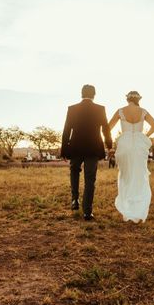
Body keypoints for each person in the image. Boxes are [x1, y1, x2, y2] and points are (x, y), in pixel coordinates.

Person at [60, 84, 113, 221]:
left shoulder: (72, 109)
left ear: (81, 94)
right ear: (94, 94)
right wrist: (109, 146)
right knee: (90, 179)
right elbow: (106, 130)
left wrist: (64, 149)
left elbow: (67, 130)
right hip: (93, 147)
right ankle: (87, 212)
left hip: (76, 147)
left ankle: (75, 199)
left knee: (74, 171)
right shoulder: (100, 109)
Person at [107, 90, 154, 223]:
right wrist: (146, 135)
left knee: (126, 175)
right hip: (139, 146)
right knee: (139, 174)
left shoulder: (120, 111)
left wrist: (109, 143)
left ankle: (127, 205)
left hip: (124, 144)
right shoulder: (143, 111)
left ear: (127, 99)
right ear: (138, 99)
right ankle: (137, 206)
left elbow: (107, 128)